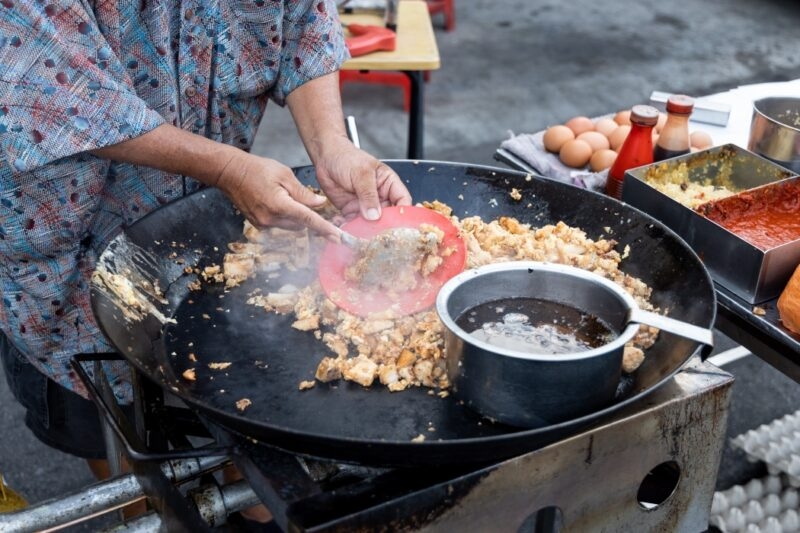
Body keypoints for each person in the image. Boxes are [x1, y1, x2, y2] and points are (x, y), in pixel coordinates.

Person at [0, 0, 410, 507]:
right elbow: (63, 92)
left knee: (234, 419)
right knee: (123, 447)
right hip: (70, 234)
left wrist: (332, 148)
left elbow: (303, 22)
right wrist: (227, 170)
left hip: (203, 229)